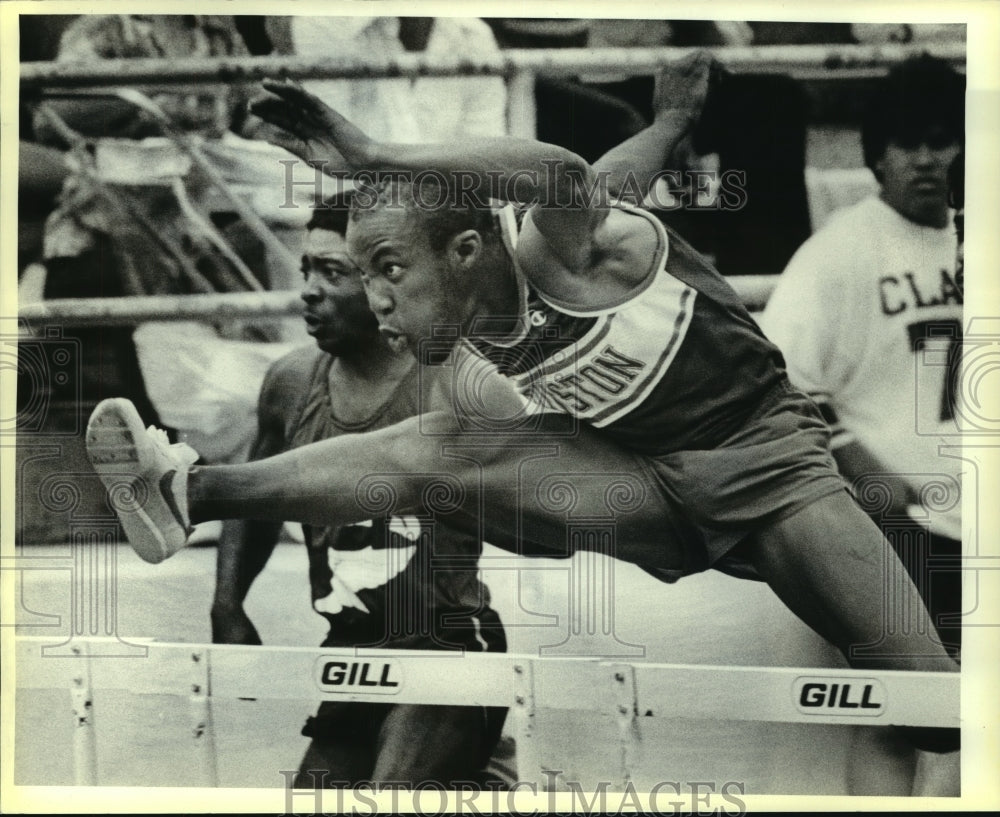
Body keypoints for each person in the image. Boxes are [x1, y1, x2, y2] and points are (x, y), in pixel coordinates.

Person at [84, 52, 959, 790]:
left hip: (767, 467)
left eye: (389, 267)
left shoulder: (557, 247)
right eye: (363, 273)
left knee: (935, 711)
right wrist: (672, 121)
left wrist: (374, 152)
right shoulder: (473, 306)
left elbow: (571, 177)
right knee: (439, 446)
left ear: (467, 252)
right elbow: (629, 161)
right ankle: (186, 487)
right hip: (637, 477)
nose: (376, 300)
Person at [209, 197, 507, 788]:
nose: (310, 292)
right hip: (351, 649)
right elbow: (254, 497)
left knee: (390, 796)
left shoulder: (455, 382)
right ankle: (480, 781)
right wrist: (228, 603)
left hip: (445, 641)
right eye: (306, 272)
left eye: (333, 272)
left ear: (379, 284)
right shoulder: (291, 384)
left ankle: (482, 763)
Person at [759, 54, 964, 795]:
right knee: (905, 716)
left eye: (944, 139)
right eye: (907, 142)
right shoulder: (838, 253)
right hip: (895, 523)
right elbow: (776, 385)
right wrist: (861, 470)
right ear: (875, 154)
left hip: (981, 518)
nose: (927, 159)